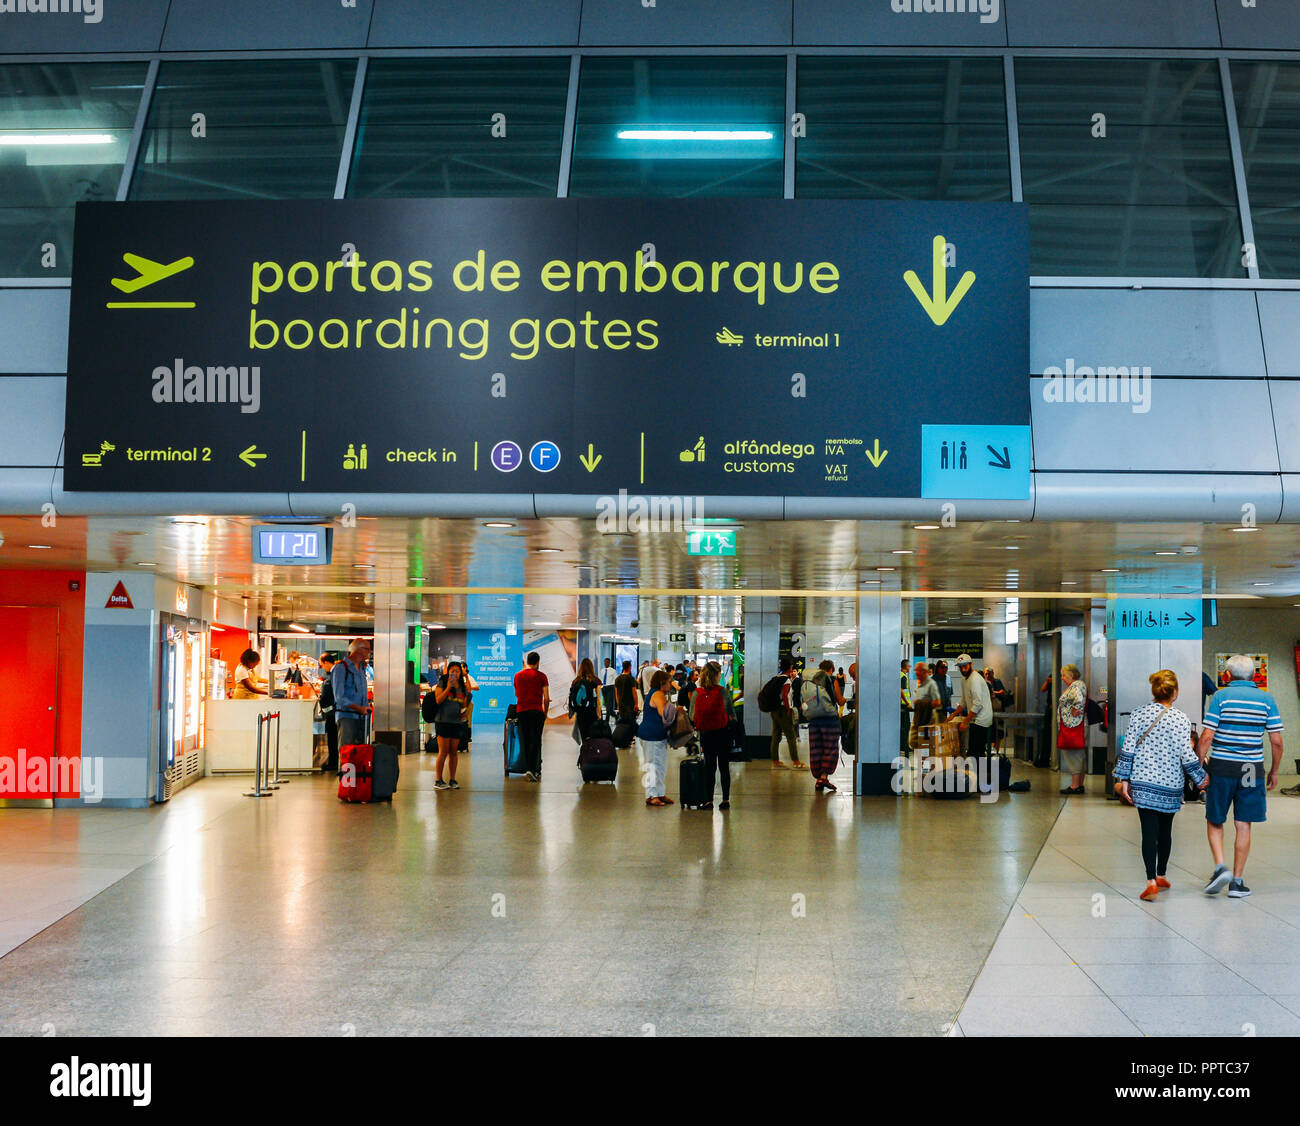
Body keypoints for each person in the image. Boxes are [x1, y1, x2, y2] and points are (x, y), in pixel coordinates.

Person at [1113, 670, 1208, 901]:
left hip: (1143, 782)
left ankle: (1151, 881)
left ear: (1154, 691)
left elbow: (1128, 749)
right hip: (1170, 785)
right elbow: (1187, 754)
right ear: (1174, 693)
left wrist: (1123, 779)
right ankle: (1162, 875)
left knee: (1148, 833)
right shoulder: (1181, 719)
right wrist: (1200, 777)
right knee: (1165, 831)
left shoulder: (1138, 715)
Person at [1198, 654, 1284, 899]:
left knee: (1215, 819)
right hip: (1251, 767)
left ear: (1227, 675)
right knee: (1243, 823)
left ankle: (1219, 867)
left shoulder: (1221, 696)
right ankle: (1237, 882)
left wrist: (1197, 766)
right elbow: (1276, 741)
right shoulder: (1266, 699)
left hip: (1223, 766)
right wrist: (1274, 771)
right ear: (1254, 675)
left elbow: (1206, 737)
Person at [690, 661, 735, 810]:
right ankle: (725, 799)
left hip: (706, 734)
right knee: (724, 767)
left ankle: (708, 801)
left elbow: (691, 715)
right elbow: (731, 714)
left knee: (710, 767)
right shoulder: (722, 691)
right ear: (716, 675)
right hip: (722, 733)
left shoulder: (697, 692)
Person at [637, 669, 677, 807]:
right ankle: (652, 795)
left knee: (660, 766)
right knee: (653, 765)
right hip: (651, 736)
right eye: (668, 683)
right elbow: (663, 713)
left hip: (656, 735)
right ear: (662, 683)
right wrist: (675, 710)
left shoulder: (655, 693)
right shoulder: (658, 694)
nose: (670, 685)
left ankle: (659, 793)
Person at [804, 660, 845, 792]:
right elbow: (839, 700)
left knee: (816, 748)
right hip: (829, 720)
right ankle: (823, 776)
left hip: (814, 719)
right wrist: (847, 700)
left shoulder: (811, 681)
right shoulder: (832, 680)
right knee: (830, 747)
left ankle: (818, 779)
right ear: (832, 669)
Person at [431, 660, 470, 790]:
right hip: (443, 722)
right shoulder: (443, 682)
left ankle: (452, 779)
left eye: (457, 671)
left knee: (454, 751)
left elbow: (464, 703)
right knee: (443, 751)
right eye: (452, 671)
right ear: (448, 672)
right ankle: (438, 780)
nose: (455, 673)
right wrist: (448, 687)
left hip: (456, 723)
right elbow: (438, 700)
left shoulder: (461, 686)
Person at [513, 651, 550, 783]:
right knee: (536, 740)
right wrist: (545, 713)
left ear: (527, 661)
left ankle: (528, 767)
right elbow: (546, 698)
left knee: (525, 740)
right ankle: (533, 769)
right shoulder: (542, 676)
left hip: (522, 711)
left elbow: (517, 693)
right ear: (538, 662)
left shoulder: (517, 676)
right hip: (536, 711)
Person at [331, 639, 372, 749]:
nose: (369, 652)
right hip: (347, 717)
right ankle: (344, 767)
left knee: (361, 753)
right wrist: (359, 708)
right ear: (358, 650)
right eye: (367, 649)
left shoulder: (362, 668)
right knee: (347, 752)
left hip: (362, 718)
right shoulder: (341, 668)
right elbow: (339, 698)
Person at [953, 653, 993, 765]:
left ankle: (978, 778)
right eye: (960, 666)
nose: (963, 668)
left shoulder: (975, 679)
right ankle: (976, 776)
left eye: (965, 665)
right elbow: (964, 701)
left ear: (971, 664)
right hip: (975, 719)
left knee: (975, 752)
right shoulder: (964, 679)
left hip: (981, 720)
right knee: (974, 751)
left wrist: (965, 722)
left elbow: (978, 704)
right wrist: (953, 715)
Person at [769, 658, 805, 771]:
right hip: (783, 710)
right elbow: (785, 695)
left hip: (774, 710)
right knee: (791, 736)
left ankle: (775, 761)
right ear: (789, 667)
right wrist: (788, 708)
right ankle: (796, 761)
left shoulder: (775, 678)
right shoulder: (787, 680)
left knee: (776, 735)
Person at [1057, 664, 1087, 794]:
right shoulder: (1080, 685)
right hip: (1075, 725)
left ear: (1072, 675)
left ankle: (1075, 786)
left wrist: (1076, 709)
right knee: (1079, 755)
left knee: (1072, 754)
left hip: (1071, 726)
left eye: (1064, 675)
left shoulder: (1075, 686)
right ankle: (1079, 784)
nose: (1062, 678)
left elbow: (1079, 700)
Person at [909, 661, 942, 751]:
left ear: (924, 671)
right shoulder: (920, 684)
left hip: (928, 719)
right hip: (919, 717)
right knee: (914, 742)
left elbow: (938, 702)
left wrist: (923, 703)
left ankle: (926, 763)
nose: (915, 672)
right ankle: (920, 763)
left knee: (926, 744)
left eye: (917, 670)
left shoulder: (931, 684)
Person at [568, 657, 602, 743]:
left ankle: (585, 753)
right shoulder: (596, 680)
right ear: (591, 667)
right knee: (593, 737)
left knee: (584, 737)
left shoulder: (576, 681)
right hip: (592, 713)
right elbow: (598, 699)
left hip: (580, 713)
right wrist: (599, 714)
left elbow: (572, 697)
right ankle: (592, 754)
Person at [318, 652, 339, 773]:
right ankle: (334, 761)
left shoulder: (332, 674)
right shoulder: (335, 672)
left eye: (322, 665)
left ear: (326, 663)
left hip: (333, 712)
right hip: (335, 710)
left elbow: (326, 697)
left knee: (332, 738)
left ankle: (333, 763)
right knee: (333, 738)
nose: (322, 668)